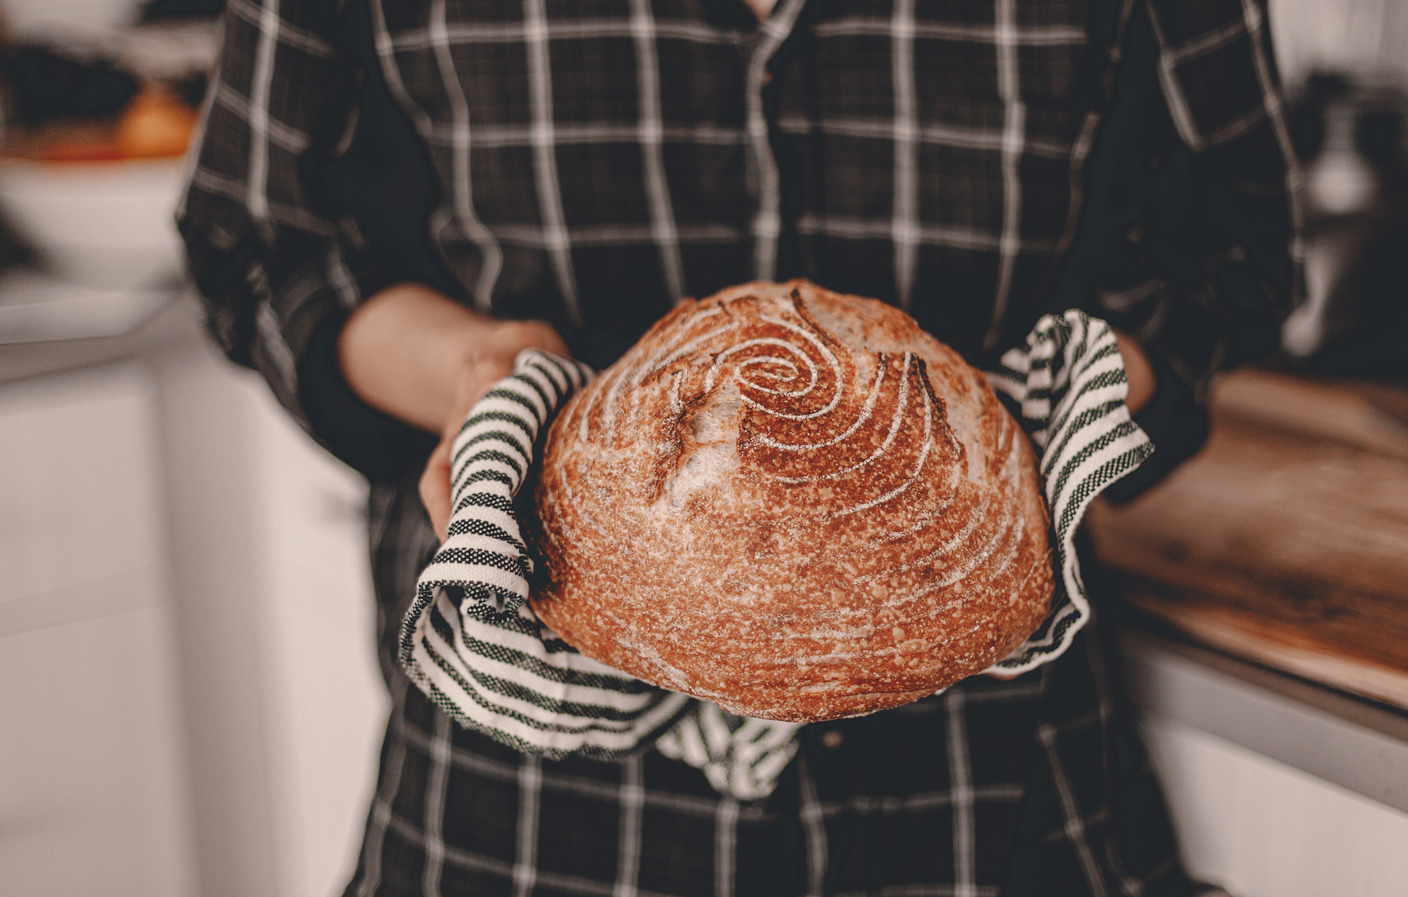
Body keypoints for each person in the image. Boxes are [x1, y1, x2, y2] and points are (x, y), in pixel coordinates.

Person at [178, 0, 1298, 893]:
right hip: (523, 817)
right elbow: (263, 240)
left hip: (991, 800)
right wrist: (479, 373)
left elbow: (1229, 249)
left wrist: (1019, 444)